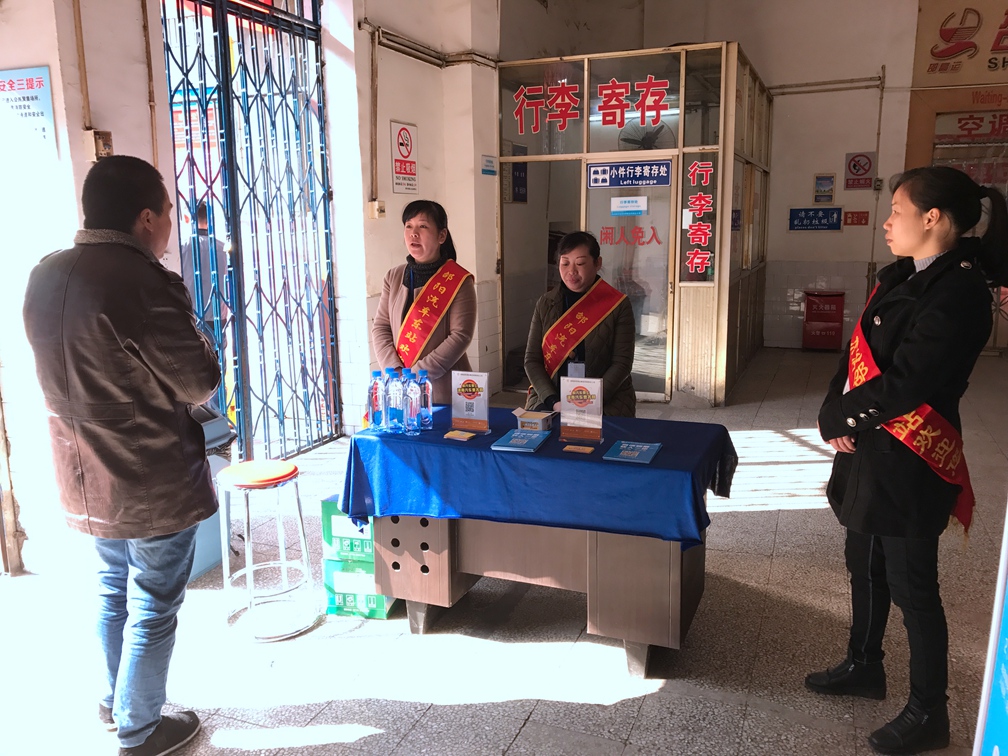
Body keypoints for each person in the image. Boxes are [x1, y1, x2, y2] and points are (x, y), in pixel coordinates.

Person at [805, 166, 1008, 755]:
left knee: (913, 587)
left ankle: (928, 712)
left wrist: (842, 419)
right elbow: (856, 354)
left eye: (897, 210)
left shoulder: (959, 292)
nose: (888, 222)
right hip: (870, 452)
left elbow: (908, 381)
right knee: (863, 562)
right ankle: (863, 665)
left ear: (933, 218)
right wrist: (834, 410)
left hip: (909, 460)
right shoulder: (902, 274)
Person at [23, 155, 221, 756]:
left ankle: (114, 702)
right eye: (168, 213)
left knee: (112, 587)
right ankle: (140, 730)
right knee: (154, 602)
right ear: (145, 218)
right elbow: (198, 382)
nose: (170, 227)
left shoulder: (45, 273)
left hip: (83, 471)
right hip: (147, 473)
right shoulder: (140, 280)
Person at [371, 199, 476, 404]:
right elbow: (381, 327)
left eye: (423, 226)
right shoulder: (393, 276)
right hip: (399, 386)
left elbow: (460, 336)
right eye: (408, 226)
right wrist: (396, 372)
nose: (414, 233)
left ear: (441, 235)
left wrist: (416, 375)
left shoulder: (459, 281)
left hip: (444, 391)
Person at [524, 231, 636, 416]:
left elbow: (622, 363)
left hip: (606, 399)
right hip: (551, 397)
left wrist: (589, 402)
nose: (571, 271)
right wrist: (553, 401)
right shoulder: (545, 303)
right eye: (565, 263)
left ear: (597, 263)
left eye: (580, 263)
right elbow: (532, 360)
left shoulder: (618, 305)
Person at [179, 199, 229, 347]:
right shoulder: (223, 249)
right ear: (210, 220)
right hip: (217, 317)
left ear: (187, 218)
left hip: (190, 316)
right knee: (217, 356)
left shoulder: (182, 249)